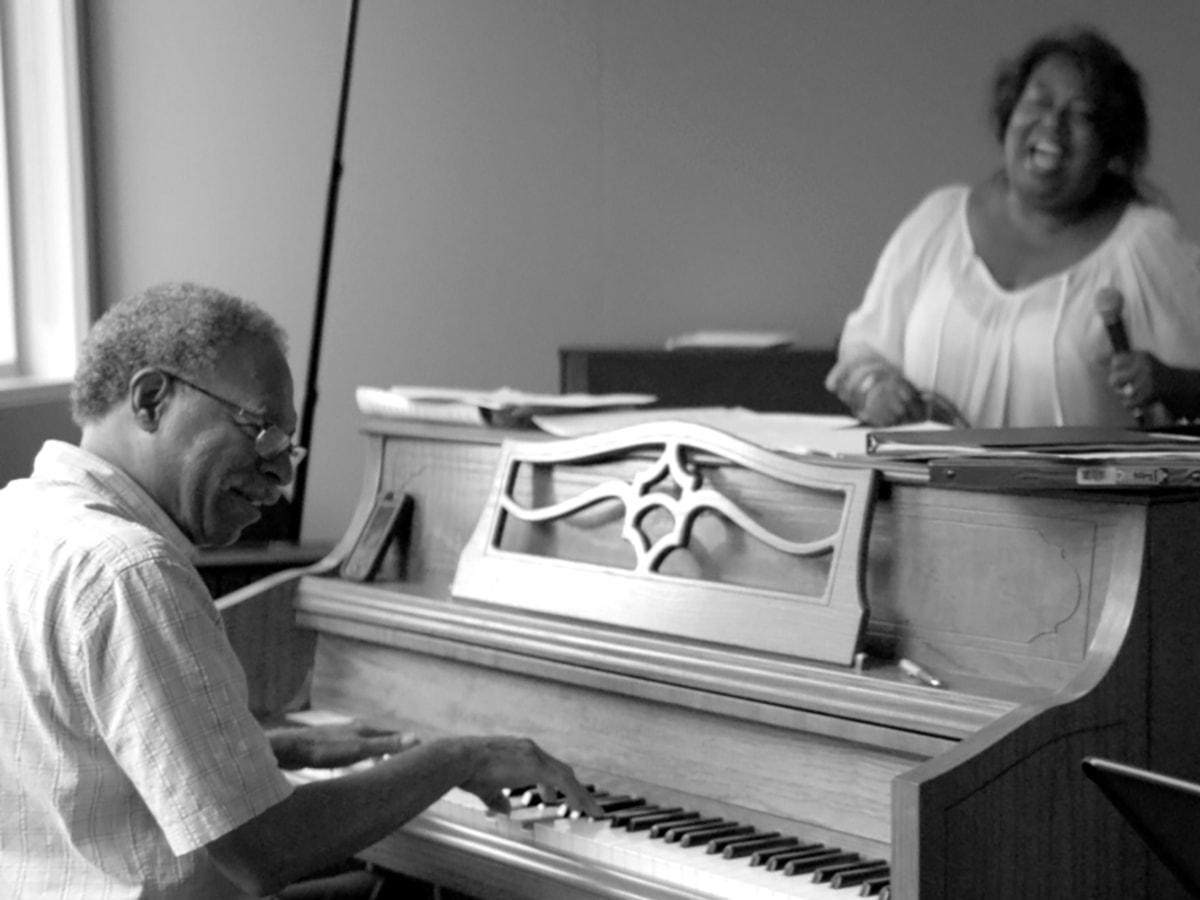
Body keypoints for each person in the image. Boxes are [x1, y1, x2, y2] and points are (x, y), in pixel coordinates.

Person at [0, 282, 601, 898]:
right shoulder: (131, 571)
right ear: (152, 399)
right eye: (261, 431)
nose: (283, 473)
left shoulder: (20, 520)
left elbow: (79, 756)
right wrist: (458, 759)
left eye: (288, 446)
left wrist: (274, 750)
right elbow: (264, 850)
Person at [825, 25, 1200, 429]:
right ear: (1009, 114)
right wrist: (874, 389)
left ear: (1111, 147)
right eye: (1037, 102)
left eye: (1083, 115)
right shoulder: (938, 221)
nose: (1052, 126)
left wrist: (1170, 383)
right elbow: (863, 350)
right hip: (923, 492)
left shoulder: (1148, 248)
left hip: (1075, 495)